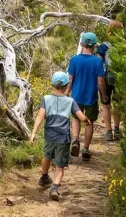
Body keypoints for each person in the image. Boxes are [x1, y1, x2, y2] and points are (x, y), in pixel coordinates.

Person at [29, 71, 91, 201]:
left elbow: (40, 116)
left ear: (52, 84)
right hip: (63, 137)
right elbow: (80, 117)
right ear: (66, 86)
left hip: (49, 135)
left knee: (47, 156)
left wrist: (33, 133)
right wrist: (86, 121)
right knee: (60, 165)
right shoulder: (70, 101)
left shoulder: (46, 99)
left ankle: (44, 177)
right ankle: (54, 188)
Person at [66, 32, 106, 161]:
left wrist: (66, 94)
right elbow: (100, 82)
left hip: (76, 96)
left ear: (81, 44)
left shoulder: (74, 60)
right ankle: (86, 149)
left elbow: (70, 79)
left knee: (76, 118)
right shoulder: (98, 62)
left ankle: (76, 140)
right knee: (89, 122)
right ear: (94, 45)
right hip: (91, 97)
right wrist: (104, 95)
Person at [97, 20, 124, 140]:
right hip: (120, 78)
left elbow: (100, 62)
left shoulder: (103, 46)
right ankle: (117, 129)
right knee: (117, 104)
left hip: (106, 78)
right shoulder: (124, 44)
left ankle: (108, 132)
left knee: (105, 104)